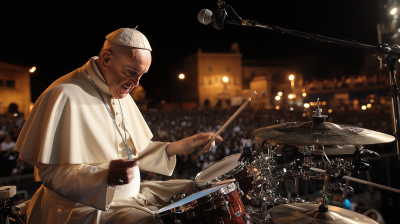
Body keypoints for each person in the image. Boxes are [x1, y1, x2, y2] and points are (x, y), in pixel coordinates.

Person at [15, 27, 222, 224]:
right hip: (82, 207)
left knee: (198, 191)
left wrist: (176, 147)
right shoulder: (63, 94)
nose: (137, 83)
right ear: (106, 59)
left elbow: (133, 152)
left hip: (132, 196)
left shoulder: (119, 90)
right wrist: (104, 176)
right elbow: (50, 174)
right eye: (132, 72)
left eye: (141, 75)